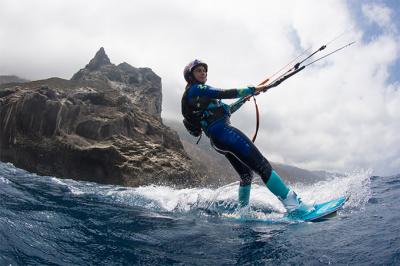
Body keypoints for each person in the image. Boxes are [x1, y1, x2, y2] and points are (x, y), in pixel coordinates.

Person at [181, 59, 313, 217]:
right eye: (198, 71)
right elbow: (223, 93)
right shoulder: (196, 89)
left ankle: (243, 212)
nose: (203, 73)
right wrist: (250, 89)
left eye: (204, 70)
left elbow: (226, 110)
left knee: (246, 175)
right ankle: (294, 206)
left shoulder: (200, 98)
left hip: (217, 140)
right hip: (223, 133)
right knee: (262, 166)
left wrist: (245, 98)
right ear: (191, 75)